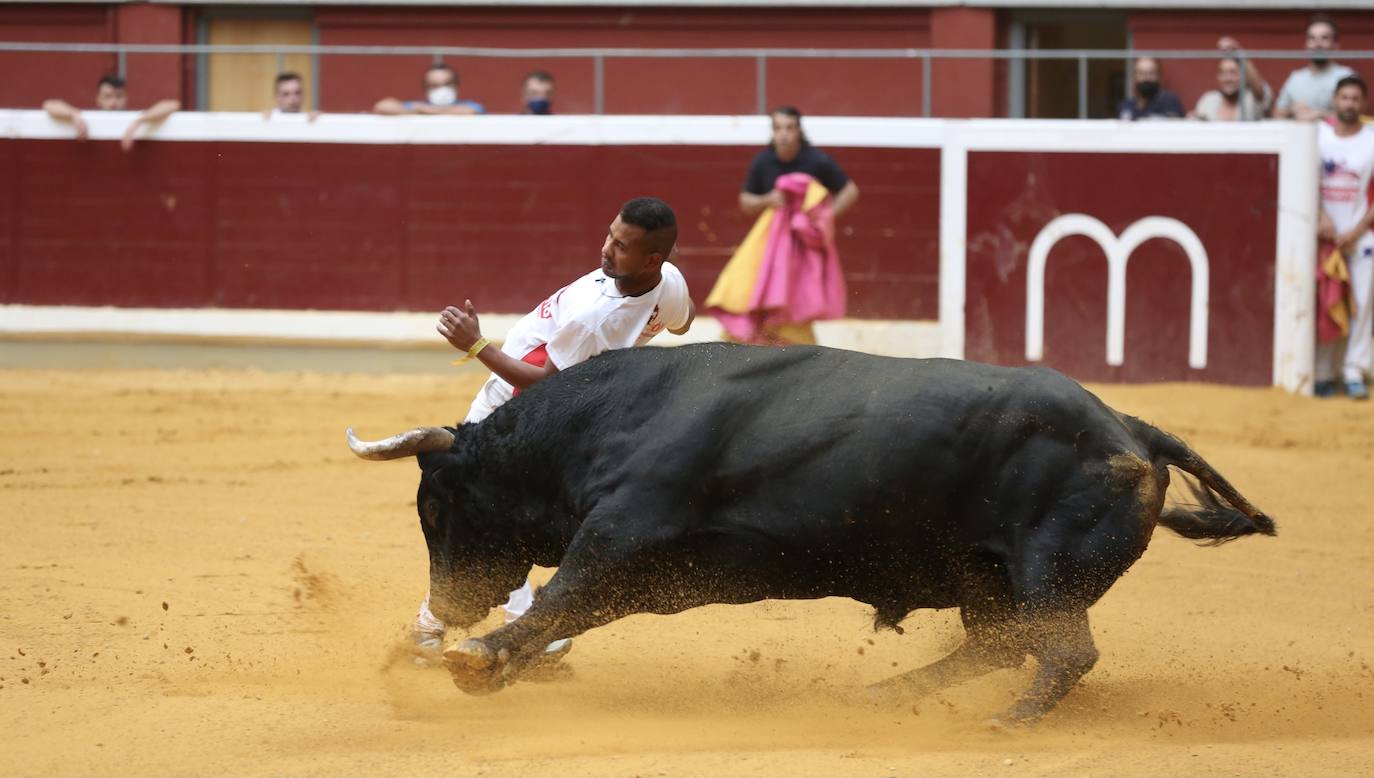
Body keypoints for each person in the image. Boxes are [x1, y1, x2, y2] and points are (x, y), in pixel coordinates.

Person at [412, 196, 696, 664]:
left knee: (485, 516)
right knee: (512, 520)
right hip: (580, 419)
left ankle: (440, 623)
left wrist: (475, 343)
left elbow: (545, 383)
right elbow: (684, 324)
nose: (606, 249)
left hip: (514, 411)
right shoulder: (671, 283)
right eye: (610, 234)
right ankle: (530, 634)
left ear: (652, 259)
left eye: (621, 246)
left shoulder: (593, 316)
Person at [713, 106, 856, 346]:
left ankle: (797, 352)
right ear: (773, 132)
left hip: (803, 247)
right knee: (753, 290)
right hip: (769, 245)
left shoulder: (817, 161)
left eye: (789, 128)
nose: (784, 134)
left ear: (799, 131)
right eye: (778, 128)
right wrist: (766, 200)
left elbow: (850, 191)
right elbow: (745, 201)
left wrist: (824, 218)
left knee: (796, 297)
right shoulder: (763, 162)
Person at [1316, 75, 1374, 400]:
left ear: (1363, 104)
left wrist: (1356, 230)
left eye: (1355, 98)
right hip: (1324, 235)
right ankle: (1324, 370)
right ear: (1336, 102)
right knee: (1325, 302)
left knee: (1364, 303)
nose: (1350, 104)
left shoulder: (1373, 138)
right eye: (1344, 98)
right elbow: (1307, 181)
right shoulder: (1319, 137)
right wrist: (1322, 219)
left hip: (1360, 235)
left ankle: (1354, 370)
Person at [42, 74, 181, 151]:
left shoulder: (137, 118)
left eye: (119, 96)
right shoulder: (84, 118)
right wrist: (73, 115)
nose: (114, 102)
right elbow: (49, 105)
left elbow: (173, 105)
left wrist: (139, 122)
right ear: (99, 100)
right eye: (108, 97)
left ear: (126, 98)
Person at [1275, 14, 1355, 122]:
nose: (1318, 44)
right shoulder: (1295, 78)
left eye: (1324, 38)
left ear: (1336, 46)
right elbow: (1276, 114)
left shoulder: (1347, 76)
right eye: (1312, 38)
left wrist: (1318, 115)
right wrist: (1292, 110)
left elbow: (1355, 116)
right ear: (1306, 45)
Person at [1192, 38, 1272, 121]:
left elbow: (1260, 91)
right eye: (1223, 73)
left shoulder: (1250, 99)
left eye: (1233, 72)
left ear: (1243, 77)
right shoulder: (1209, 100)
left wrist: (1240, 53)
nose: (1228, 79)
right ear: (1218, 78)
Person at [374, 63, 484, 116]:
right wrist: (415, 109)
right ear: (426, 89)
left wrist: (426, 111)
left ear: (456, 86)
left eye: (447, 84)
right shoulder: (417, 106)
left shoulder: (469, 105)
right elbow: (383, 107)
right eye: (435, 85)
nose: (442, 89)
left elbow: (471, 111)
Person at [1117, 57, 1185, 121]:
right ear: (1134, 77)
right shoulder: (1126, 106)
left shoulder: (1169, 101)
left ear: (1159, 76)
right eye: (1141, 73)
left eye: (1151, 73)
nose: (1147, 78)